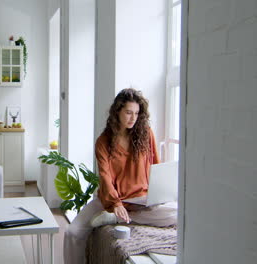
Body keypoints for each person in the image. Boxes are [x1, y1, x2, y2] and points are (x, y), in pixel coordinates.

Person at [64, 88, 177, 264]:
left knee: (177, 214)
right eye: (128, 113)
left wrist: (160, 193)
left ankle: (118, 218)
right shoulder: (104, 141)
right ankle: (116, 214)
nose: (133, 118)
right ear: (117, 112)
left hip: (141, 199)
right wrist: (115, 203)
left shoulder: (146, 134)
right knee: (72, 233)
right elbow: (105, 176)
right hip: (111, 200)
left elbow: (156, 166)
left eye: (137, 113)